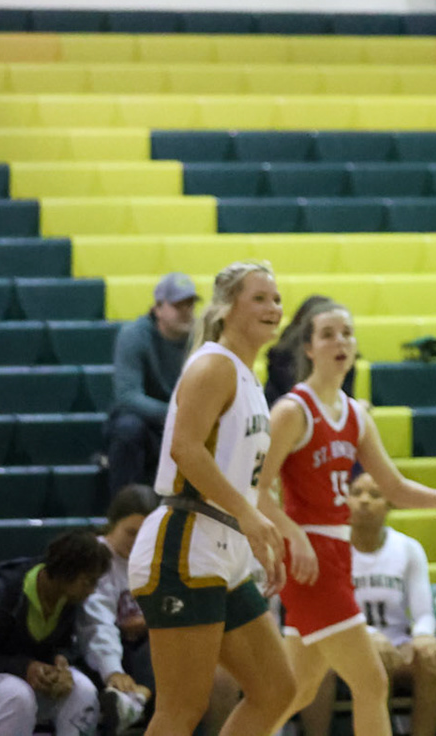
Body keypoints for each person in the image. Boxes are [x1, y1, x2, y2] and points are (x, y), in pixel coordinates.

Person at [259, 298, 436, 736]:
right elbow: (255, 491)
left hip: (336, 553)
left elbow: (393, 487)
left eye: (347, 333)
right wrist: (293, 537)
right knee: (372, 681)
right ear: (309, 348)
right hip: (310, 557)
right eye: (328, 334)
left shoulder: (357, 414)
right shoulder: (291, 411)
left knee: (296, 692)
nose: (340, 341)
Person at [126, 261, 296, 736]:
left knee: (277, 690)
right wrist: (248, 517)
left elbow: (245, 480)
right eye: (259, 298)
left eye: (276, 298)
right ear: (226, 309)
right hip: (186, 541)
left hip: (225, 546)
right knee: (182, 708)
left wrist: (269, 531)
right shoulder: (213, 364)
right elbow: (184, 449)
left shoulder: (249, 378)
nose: (273, 307)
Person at [293, 473, 436, 736]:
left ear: (390, 504)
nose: (364, 501)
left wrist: (424, 636)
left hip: (398, 645)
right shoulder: (330, 548)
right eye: (356, 493)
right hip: (342, 646)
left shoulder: (408, 549)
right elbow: (329, 612)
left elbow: (424, 613)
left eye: (375, 494)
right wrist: (368, 637)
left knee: (431, 658)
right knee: (373, 658)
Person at [0, 528, 112, 736]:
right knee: (18, 697)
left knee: (83, 690)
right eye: (88, 581)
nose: (92, 590)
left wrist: (61, 661)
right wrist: (25, 667)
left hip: (23, 678)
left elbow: (64, 644)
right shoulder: (1, 594)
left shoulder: (69, 598)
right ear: (67, 572)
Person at [77, 486, 160, 733]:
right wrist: (112, 670)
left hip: (141, 651)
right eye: (130, 532)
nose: (136, 542)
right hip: (96, 652)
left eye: (144, 535)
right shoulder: (96, 555)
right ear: (112, 524)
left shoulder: (155, 557)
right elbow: (95, 621)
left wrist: (150, 620)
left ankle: (136, 700)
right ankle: (132, 699)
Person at [105, 273, 197, 496]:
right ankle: (124, 512)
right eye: (178, 304)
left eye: (190, 304)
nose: (186, 311)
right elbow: (127, 395)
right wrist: (176, 414)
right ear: (157, 308)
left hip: (180, 419)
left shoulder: (201, 338)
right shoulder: (134, 335)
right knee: (128, 429)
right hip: (148, 422)